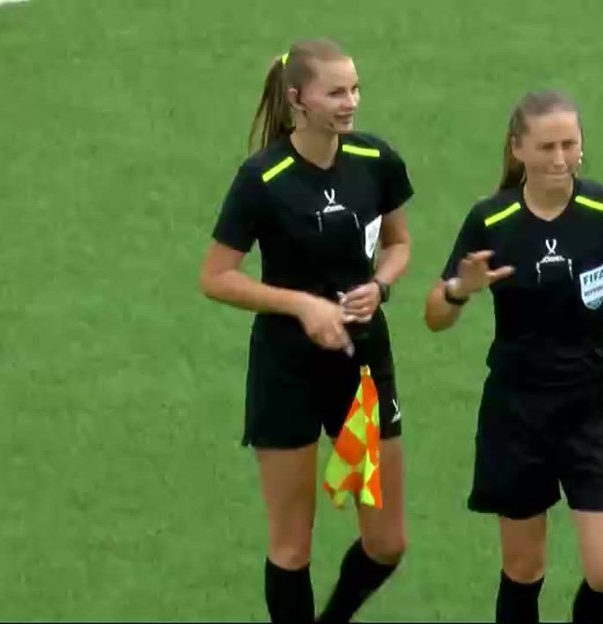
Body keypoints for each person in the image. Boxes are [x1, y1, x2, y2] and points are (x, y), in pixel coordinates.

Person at [423, 89, 603, 623]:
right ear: (518, 148)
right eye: (546, 147)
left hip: (591, 411)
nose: (560, 159)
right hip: (516, 413)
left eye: (569, 145)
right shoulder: (491, 220)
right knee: (523, 568)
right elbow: (435, 315)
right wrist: (460, 290)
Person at [198, 38, 415, 623]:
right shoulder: (262, 178)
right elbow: (216, 277)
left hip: (363, 370)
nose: (351, 102)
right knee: (292, 545)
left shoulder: (375, 160)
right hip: (287, 372)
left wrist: (382, 285)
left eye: (355, 89)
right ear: (297, 99)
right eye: (336, 92)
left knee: (387, 541)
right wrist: (301, 306)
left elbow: (399, 243)